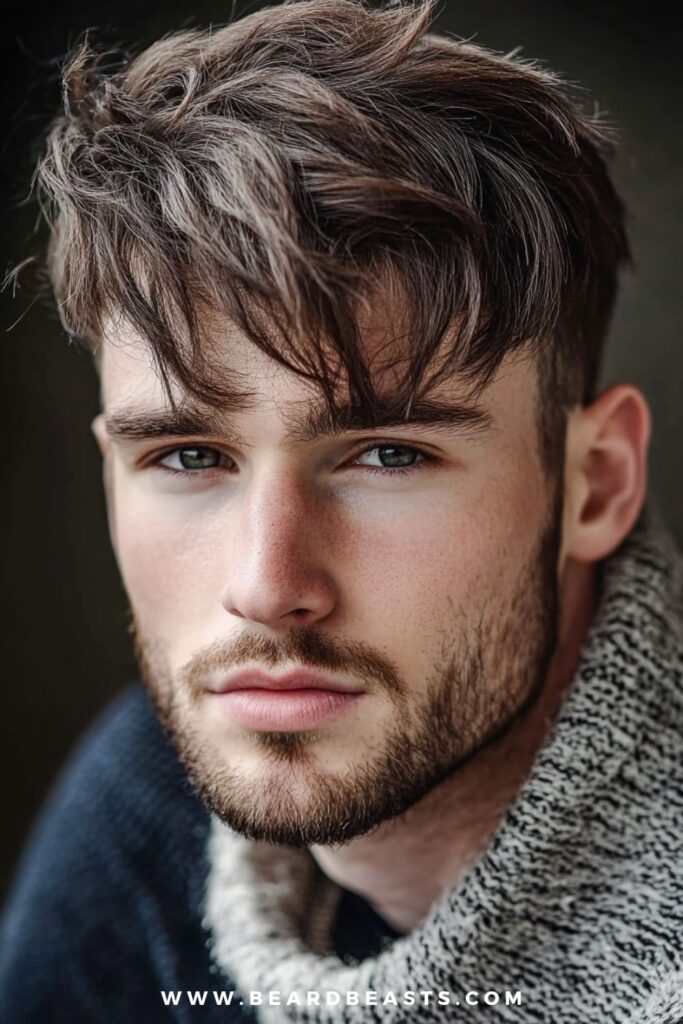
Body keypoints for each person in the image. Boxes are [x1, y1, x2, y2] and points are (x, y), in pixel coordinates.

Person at [1, 0, 682, 1020]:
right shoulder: (150, 800)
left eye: (388, 455)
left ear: (597, 483)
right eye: (188, 456)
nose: (265, 588)